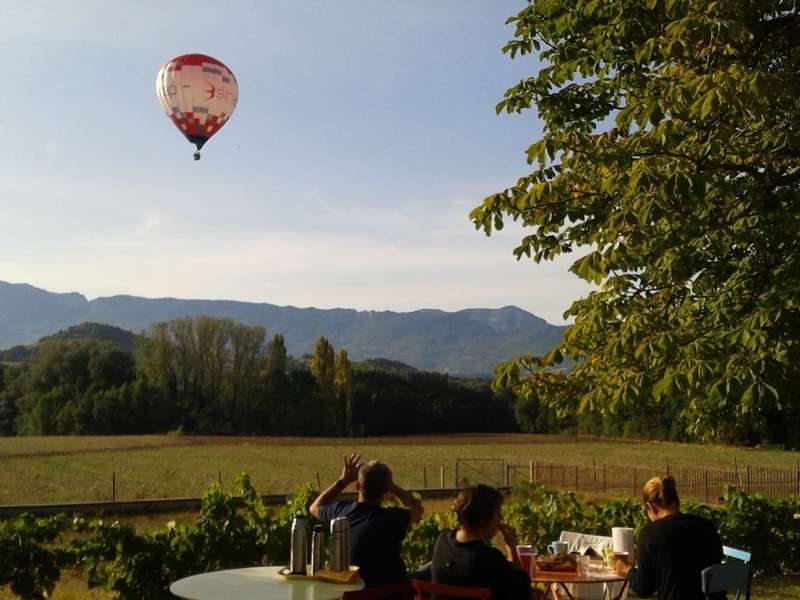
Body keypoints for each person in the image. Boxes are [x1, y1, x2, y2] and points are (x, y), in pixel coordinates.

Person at [310, 453, 424, 587]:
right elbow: (417, 508)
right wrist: (392, 486)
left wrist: (343, 481)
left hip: (352, 592)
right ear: (386, 491)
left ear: (357, 486)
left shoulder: (340, 513)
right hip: (391, 593)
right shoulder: (392, 518)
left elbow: (314, 507)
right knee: (434, 566)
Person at [612, 475, 724, 600]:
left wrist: (627, 570)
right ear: (676, 501)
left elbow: (644, 589)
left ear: (651, 506)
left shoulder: (649, 534)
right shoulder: (707, 527)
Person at [431, 484, 531, 600]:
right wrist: (511, 547)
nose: (501, 518)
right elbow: (522, 590)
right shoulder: (488, 558)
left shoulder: (442, 541)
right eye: (498, 513)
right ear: (483, 519)